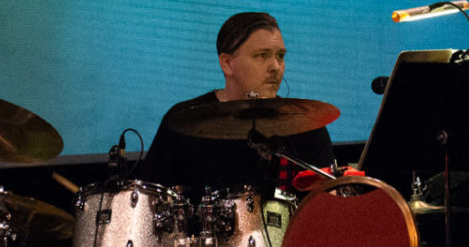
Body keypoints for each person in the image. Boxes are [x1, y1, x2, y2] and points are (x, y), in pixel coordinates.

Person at [140, 11, 336, 193]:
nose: (276, 67)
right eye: (262, 55)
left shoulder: (306, 124)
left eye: (280, 56)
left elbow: (327, 205)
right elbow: (148, 199)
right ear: (227, 63)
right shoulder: (182, 121)